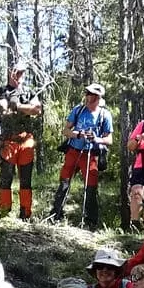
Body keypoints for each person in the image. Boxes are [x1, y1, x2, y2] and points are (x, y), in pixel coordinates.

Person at [49, 84, 113, 229]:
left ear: (97, 97)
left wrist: (95, 139)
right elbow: (65, 130)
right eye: (87, 93)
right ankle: (56, 214)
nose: (87, 96)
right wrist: (78, 134)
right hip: (73, 151)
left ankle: (91, 222)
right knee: (64, 181)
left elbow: (109, 140)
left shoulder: (105, 115)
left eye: (90, 94)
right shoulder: (78, 110)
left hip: (91, 155)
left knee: (91, 187)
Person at [0, 63, 45, 219]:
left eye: (21, 73)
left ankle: (26, 213)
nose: (19, 75)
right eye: (16, 72)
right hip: (8, 139)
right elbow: (3, 109)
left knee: (26, 179)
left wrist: (19, 107)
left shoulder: (29, 92)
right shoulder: (2, 91)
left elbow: (37, 110)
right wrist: (22, 108)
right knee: (6, 177)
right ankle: (4, 213)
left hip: (26, 138)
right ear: (10, 73)